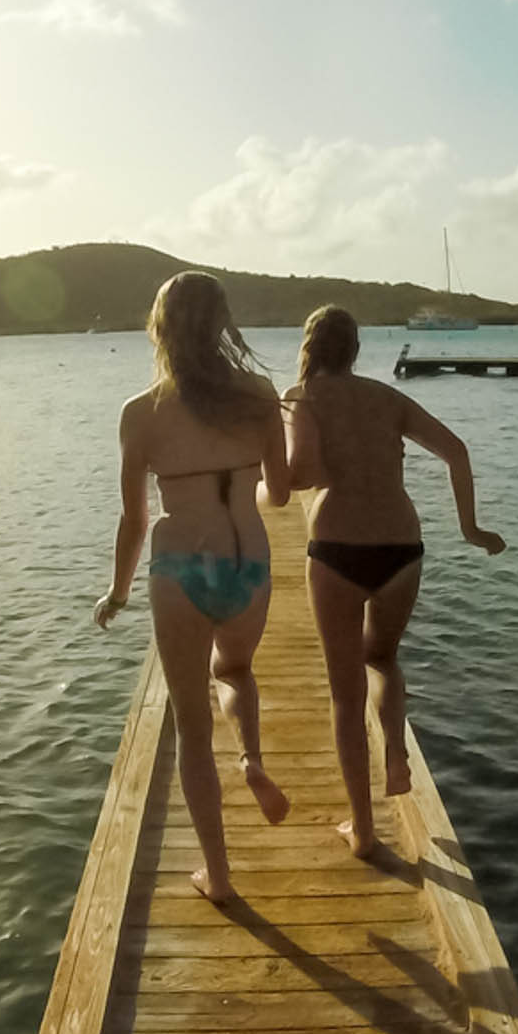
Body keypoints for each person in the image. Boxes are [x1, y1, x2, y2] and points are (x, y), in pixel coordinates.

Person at [95, 272, 293, 903]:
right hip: (250, 563)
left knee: (191, 728)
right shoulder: (260, 394)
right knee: (234, 671)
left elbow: (135, 519)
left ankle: (219, 875)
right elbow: (282, 492)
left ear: (160, 329)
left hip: (181, 569)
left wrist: (118, 593)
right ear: (222, 323)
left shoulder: (140, 412)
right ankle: (255, 760)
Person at [284, 305, 505, 859]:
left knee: (343, 694)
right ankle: (397, 752)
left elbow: (302, 473)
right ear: (355, 349)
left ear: (310, 346)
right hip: (401, 548)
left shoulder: (301, 397)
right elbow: (456, 451)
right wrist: (471, 529)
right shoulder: (388, 398)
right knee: (381, 659)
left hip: (336, 549)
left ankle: (362, 828)